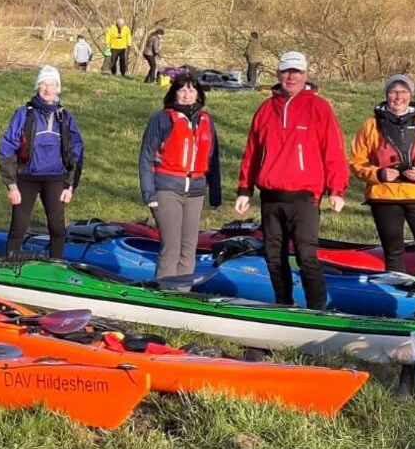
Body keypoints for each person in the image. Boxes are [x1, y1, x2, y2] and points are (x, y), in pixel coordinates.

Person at [234, 52, 348, 309]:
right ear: (278, 74)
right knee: (274, 257)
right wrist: (244, 189)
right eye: (286, 72)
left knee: (307, 256)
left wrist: (336, 189)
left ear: (306, 75)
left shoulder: (319, 107)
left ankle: (317, 309)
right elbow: (252, 152)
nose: (291, 77)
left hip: (305, 197)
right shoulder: (265, 109)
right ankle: (283, 305)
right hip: (271, 197)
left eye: (297, 72)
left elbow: (333, 151)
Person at [349, 74, 415, 274]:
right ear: (386, 94)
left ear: (410, 95)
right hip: (385, 197)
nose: (398, 97)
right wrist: (379, 174)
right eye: (393, 91)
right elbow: (356, 163)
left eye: (404, 92)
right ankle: (395, 294)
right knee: (393, 253)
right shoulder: (370, 126)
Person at [137, 71, 222, 279]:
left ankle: (181, 293)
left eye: (191, 90)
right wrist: (149, 193)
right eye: (182, 89)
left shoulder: (206, 121)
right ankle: (163, 292)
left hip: (195, 191)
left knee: (188, 248)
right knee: (172, 246)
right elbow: (146, 156)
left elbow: (213, 157)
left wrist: (215, 193)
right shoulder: (162, 119)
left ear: (198, 94)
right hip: (167, 189)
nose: (186, 94)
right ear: (174, 92)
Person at [0, 66, 85, 259]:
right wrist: (12, 185)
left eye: (53, 84)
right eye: (44, 84)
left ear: (58, 88)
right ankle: (10, 266)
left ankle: (55, 267)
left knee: (57, 229)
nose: (48, 89)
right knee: (18, 227)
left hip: (56, 179)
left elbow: (77, 151)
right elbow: (7, 147)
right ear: (37, 86)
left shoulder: (65, 117)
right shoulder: (24, 113)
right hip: (26, 178)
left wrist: (70, 186)